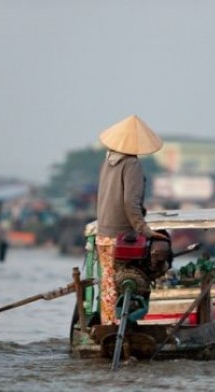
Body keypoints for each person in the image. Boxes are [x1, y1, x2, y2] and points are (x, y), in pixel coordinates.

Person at [95, 115, 168, 325]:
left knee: (109, 285)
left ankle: (108, 325)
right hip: (123, 238)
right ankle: (124, 326)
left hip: (103, 235)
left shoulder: (108, 161)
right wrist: (145, 230)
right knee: (132, 281)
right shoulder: (131, 163)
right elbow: (130, 203)